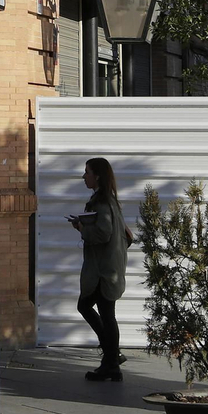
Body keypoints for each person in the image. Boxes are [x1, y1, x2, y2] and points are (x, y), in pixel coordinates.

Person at [67, 156, 131, 381]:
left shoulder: (103, 202)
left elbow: (104, 233)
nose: (84, 176)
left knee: (90, 307)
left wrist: (82, 228)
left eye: (87, 172)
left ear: (98, 176)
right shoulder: (108, 200)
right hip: (108, 268)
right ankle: (112, 360)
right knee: (103, 312)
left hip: (104, 272)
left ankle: (112, 360)